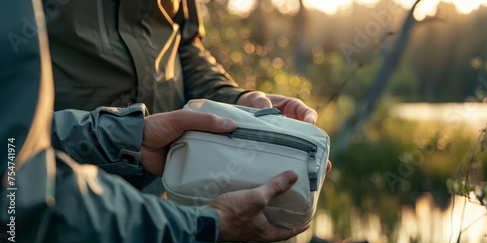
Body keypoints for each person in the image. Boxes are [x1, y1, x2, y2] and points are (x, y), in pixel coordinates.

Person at [0, 0, 310, 243]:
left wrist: (236, 100)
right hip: (69, 198)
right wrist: (204, 225)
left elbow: (184, 46)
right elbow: (19, 195)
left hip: (162, 182)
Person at [43, 0, 325, 195]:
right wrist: (125, 137)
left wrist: (236, 99)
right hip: (53, 188)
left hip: (165, 188)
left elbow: (185, 45)